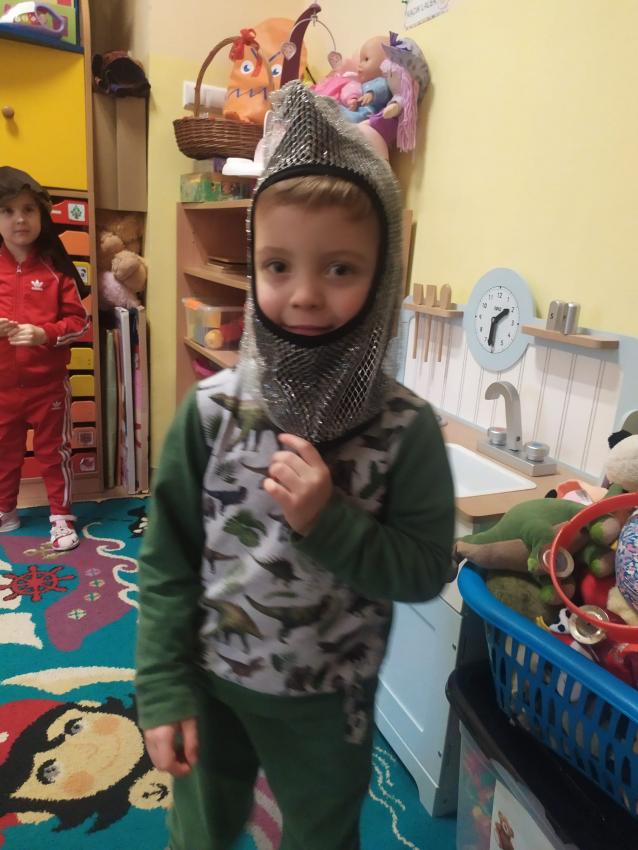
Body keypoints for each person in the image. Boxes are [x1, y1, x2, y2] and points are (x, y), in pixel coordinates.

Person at [135, 80, 455, 850]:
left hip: (328, 703)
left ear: (382, 274)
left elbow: (423, 570)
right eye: (278, 266)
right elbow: (167, 560)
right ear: (253, 263)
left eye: (340, 269)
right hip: (212, 685)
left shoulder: (406, 431)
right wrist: (164, 687)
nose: (305, 295)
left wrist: (328, 521)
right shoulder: (210, 412)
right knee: (199, 835)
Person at [0, 166, 90, 550]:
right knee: (4, 452)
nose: (19, 219)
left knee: (54, 453)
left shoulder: (56, 269)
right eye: (7, 210)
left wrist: (44, 334)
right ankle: (5, 509)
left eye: (28, 209)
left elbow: (79, 322)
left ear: (41, 215)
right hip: (3, 389)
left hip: (48, 386)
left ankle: (61, 516)